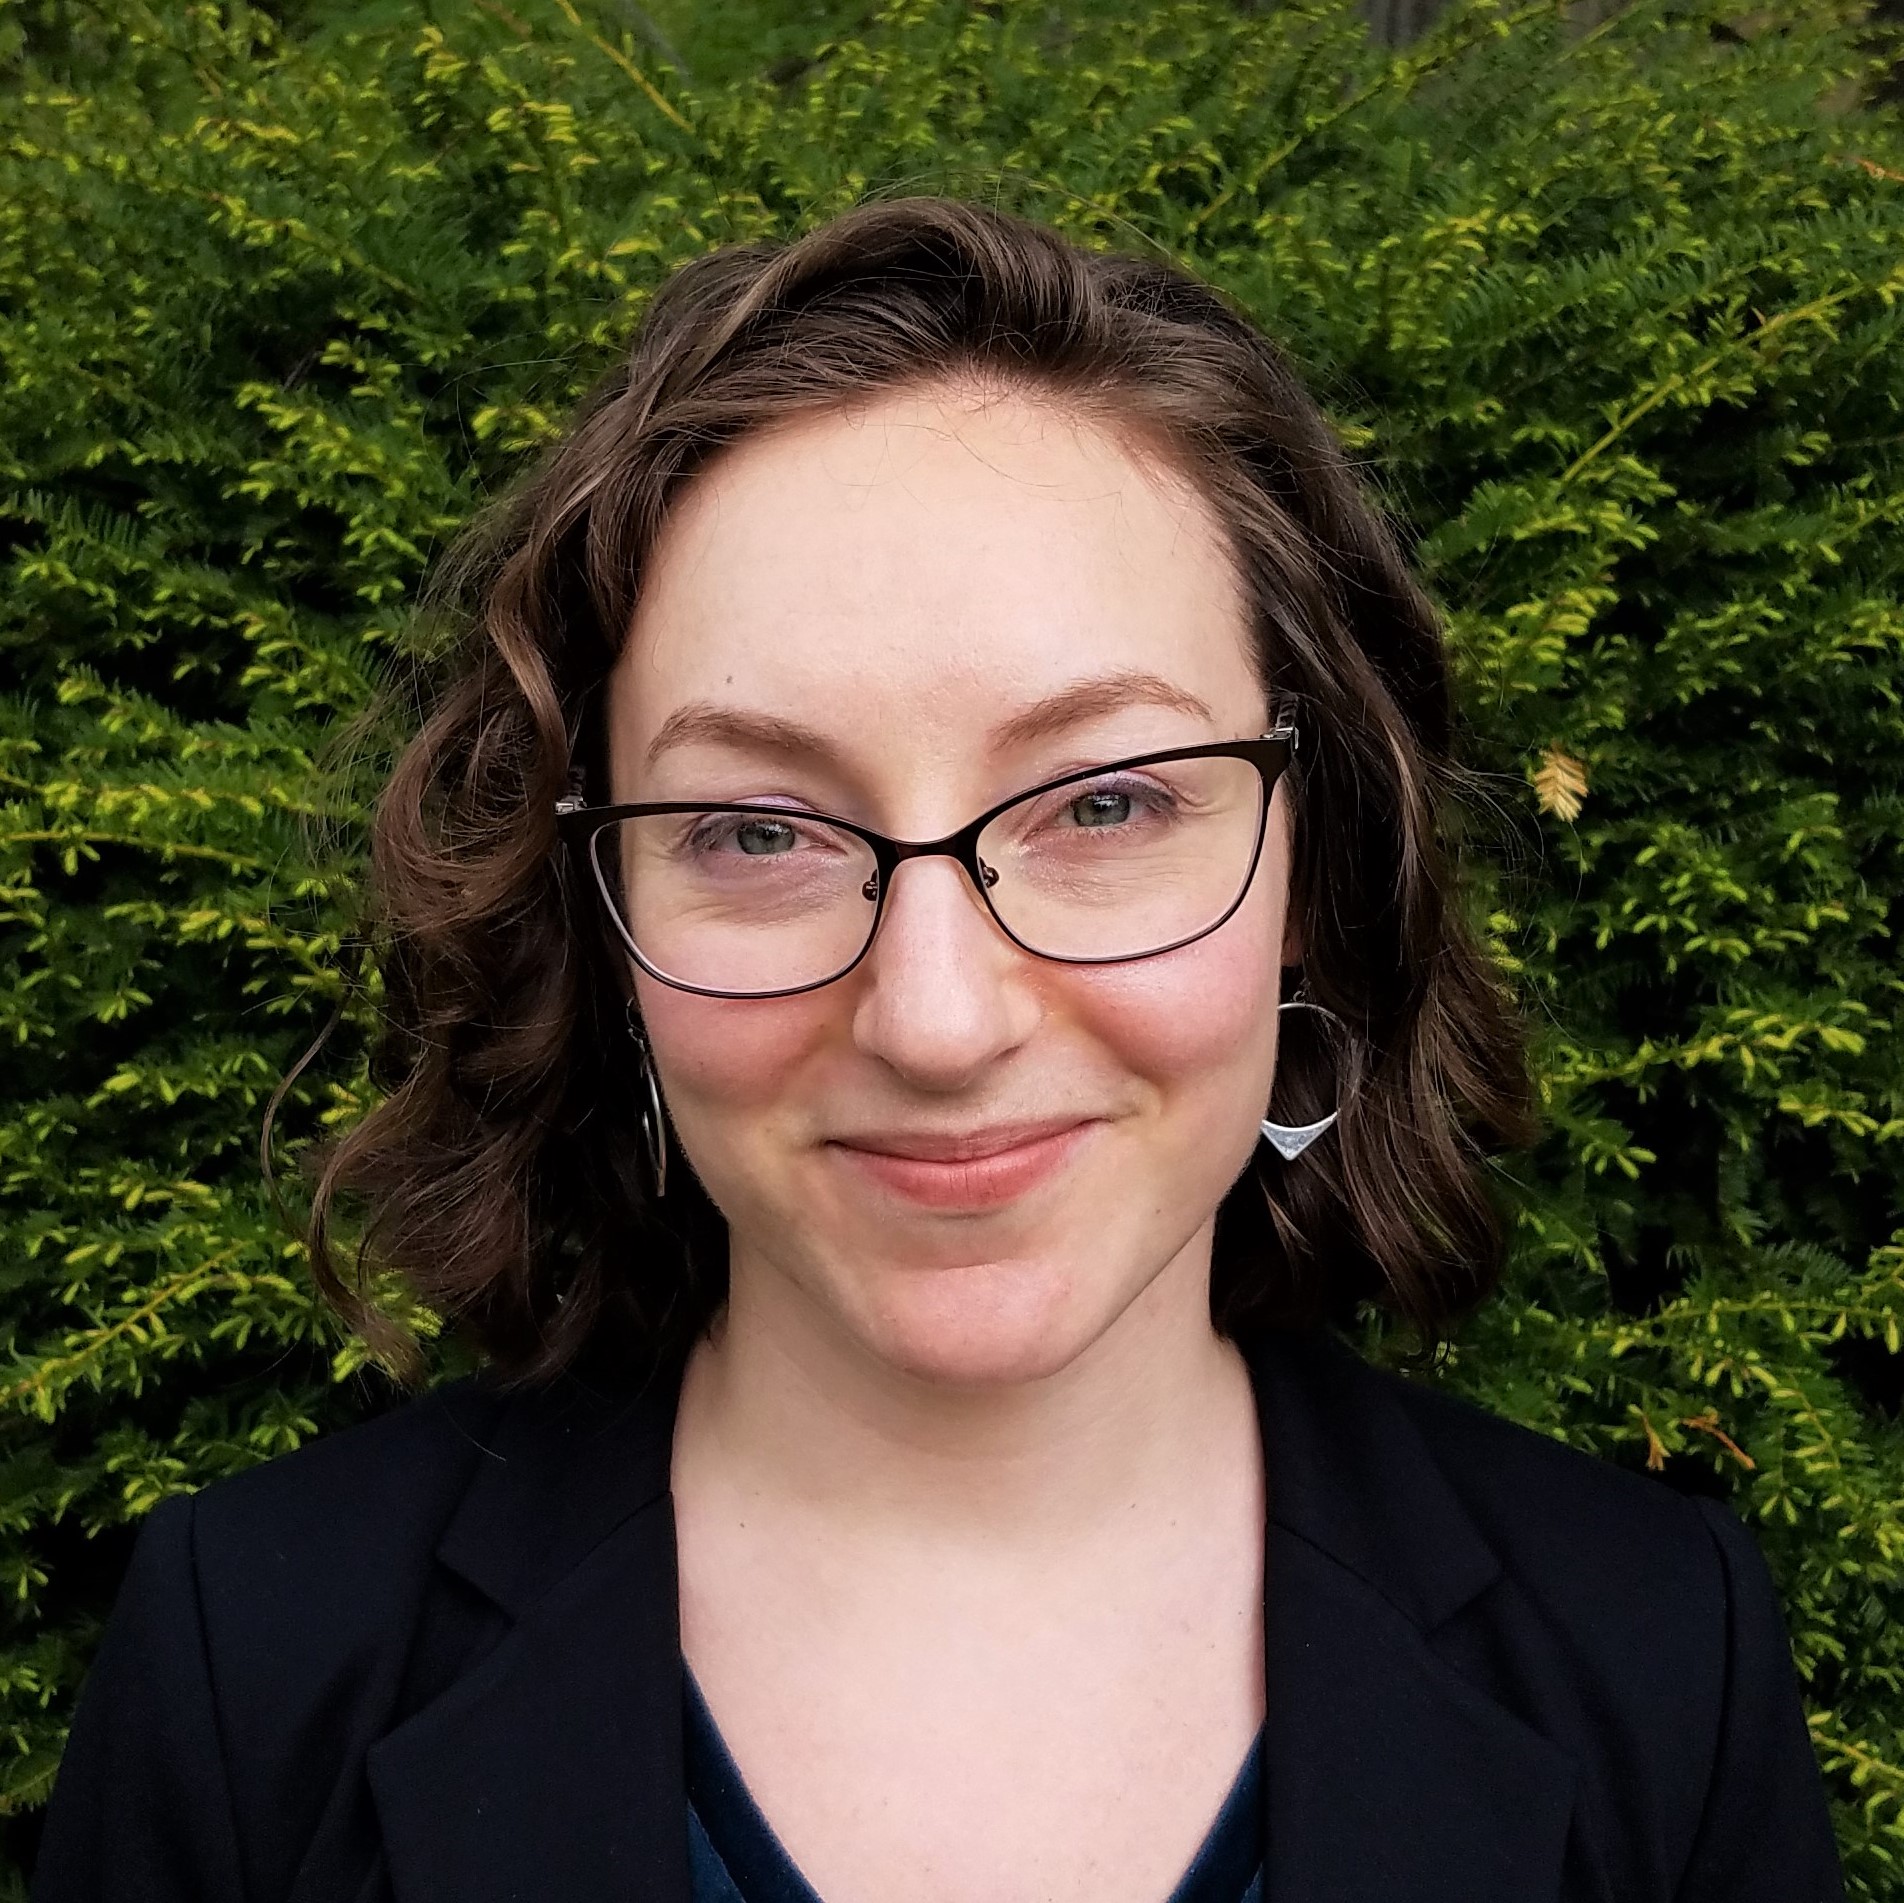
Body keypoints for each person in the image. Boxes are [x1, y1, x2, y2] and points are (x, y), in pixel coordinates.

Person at [32, 197, 1843, 1903]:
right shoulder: (250, 1669)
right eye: (757, 832)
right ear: (603, 921)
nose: (937, 1018)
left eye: (1110, 802)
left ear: (1312, 866)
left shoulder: (1659, 1665)